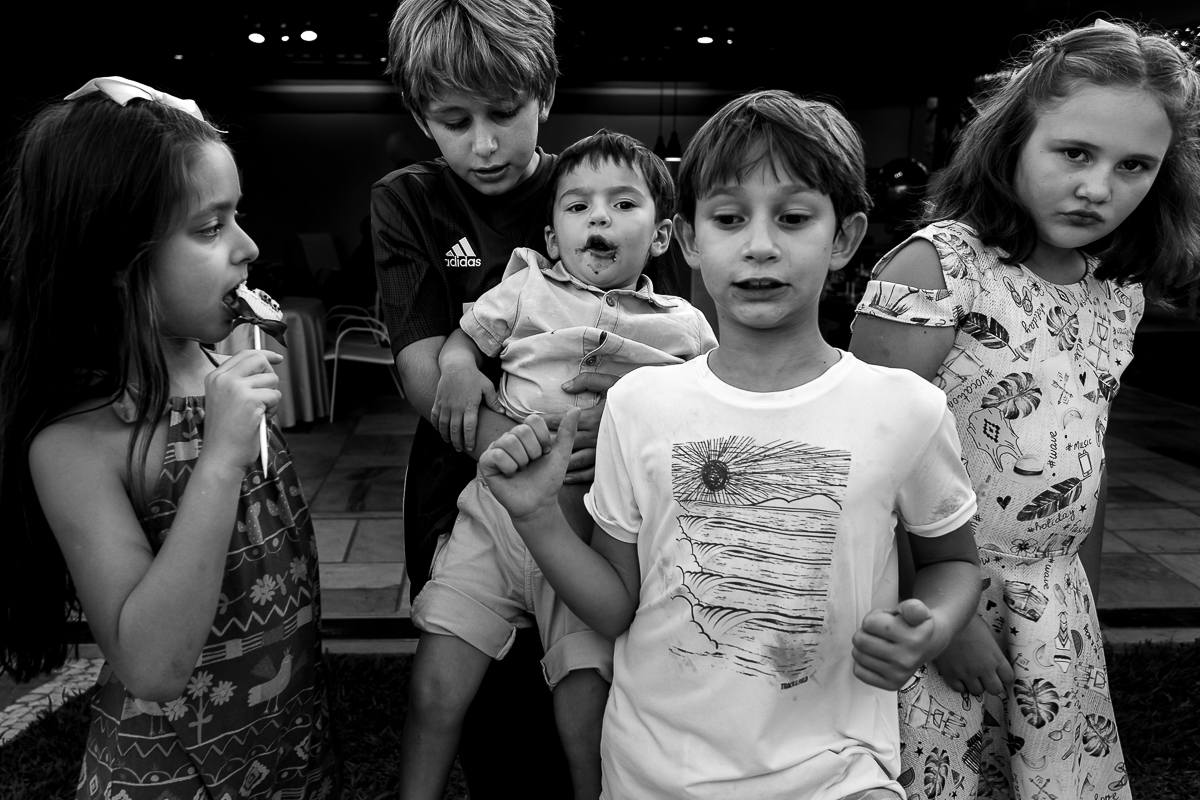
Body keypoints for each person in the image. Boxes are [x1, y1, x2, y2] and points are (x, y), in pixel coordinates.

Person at [475, 89, 984, 800]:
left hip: (837, 772)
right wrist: (535, 516)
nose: (760, 245)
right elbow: (617, 607)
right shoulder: (639, 403)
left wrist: (932, 626)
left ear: (844, 237)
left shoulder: (906, 409)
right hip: (654, 773)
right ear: (689, 240)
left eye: (794, 218)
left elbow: (953, 562)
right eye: (729, 218)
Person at [850, 20, 1200, 800]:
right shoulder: (938, 267)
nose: (1098, 187)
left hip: (1054, 603)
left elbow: (1086, 458)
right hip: (933, 593)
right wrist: (941, 616)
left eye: (1134, 165)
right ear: (1012, 140)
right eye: (1074, 152)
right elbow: (868, 468)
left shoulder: (1115, 291)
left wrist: (1082, 605)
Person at [373, 1, 685, 794]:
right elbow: (423, 367)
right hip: (470, 486)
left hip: (598, 506)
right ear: (418, 113)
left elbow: (684, 357)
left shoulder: (598, 184)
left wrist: (633, 419)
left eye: (505, 113)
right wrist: (532, 454)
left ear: (544, 93)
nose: (484, 144)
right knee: (486, 721)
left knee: (588, 705)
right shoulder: (408, 200)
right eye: (454, 121)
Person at [0, 77, 341, 799]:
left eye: (237, 216)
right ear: (114, 258)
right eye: (210, 228)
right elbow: (152, 666)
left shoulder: (222, 368)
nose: (249, 247)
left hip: (287, 744)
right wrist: (218, 462)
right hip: (173, 776)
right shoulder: (77, 442)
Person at [402, 129, 717, 800]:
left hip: (592, 542)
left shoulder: (684, 325)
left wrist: (643, 421)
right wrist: (457, 367)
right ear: (552, 238)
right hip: (491, 526)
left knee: (586, 718)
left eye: (622, 204)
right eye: (578, 206)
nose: (598, 218)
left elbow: (712, 416)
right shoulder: (526, 286)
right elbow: (464, 340)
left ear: (662, 237)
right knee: (435, 692)